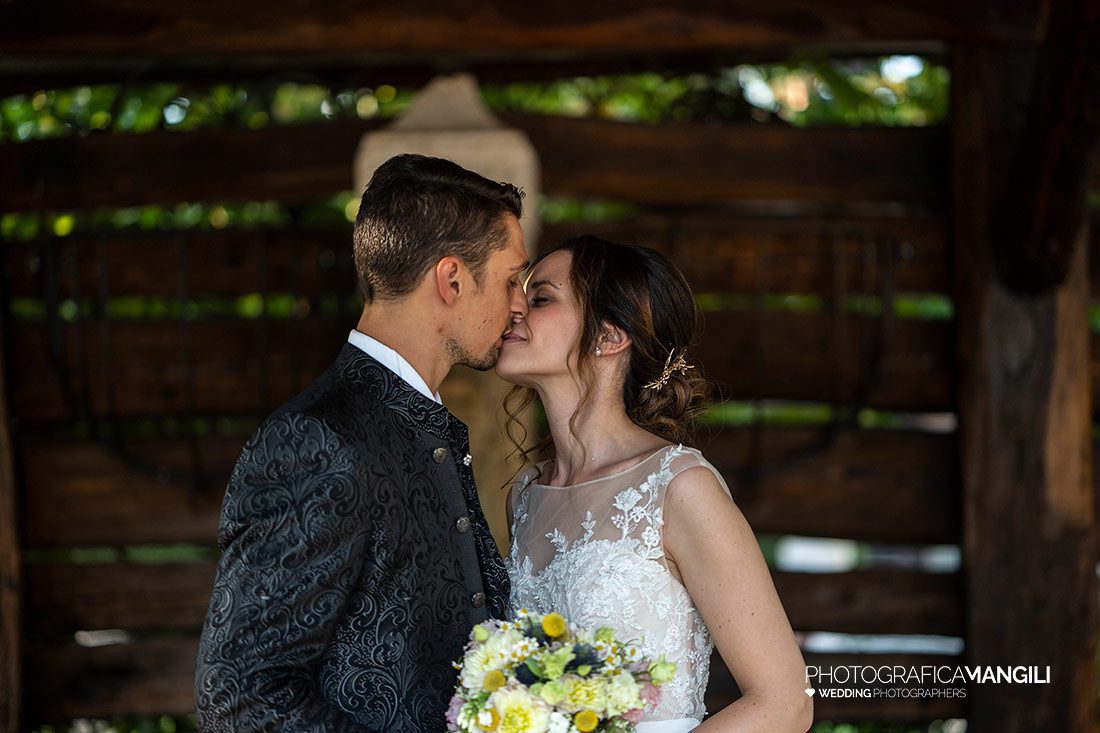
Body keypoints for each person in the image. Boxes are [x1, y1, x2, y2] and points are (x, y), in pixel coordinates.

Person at [195, 153, 530, 732]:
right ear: (451, 279)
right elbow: (239, 698)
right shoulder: (314, 441)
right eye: (510, 280)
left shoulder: (425, 422)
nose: (520, 303)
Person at [495, 236, 813, 732]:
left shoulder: (679, 487)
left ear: (608, 337)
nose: (514, 309)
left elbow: (786, 703)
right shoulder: (526, 496)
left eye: (540, 298)